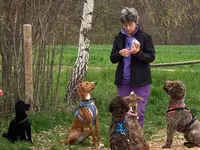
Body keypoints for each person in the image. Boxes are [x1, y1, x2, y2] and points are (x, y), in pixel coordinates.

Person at [110, 7, 155, 127]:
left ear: (136, 22)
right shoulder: (118, 37)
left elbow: (151, 57)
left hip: (141, 81)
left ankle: (137, 138)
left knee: (137, 112)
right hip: (123, 81)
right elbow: (112, 58)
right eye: (125, 25)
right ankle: (124, 137)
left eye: (130, 24)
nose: (128, 28)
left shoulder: (145, 37)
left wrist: (138, 53)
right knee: (123, 111)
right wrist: (119, 54)